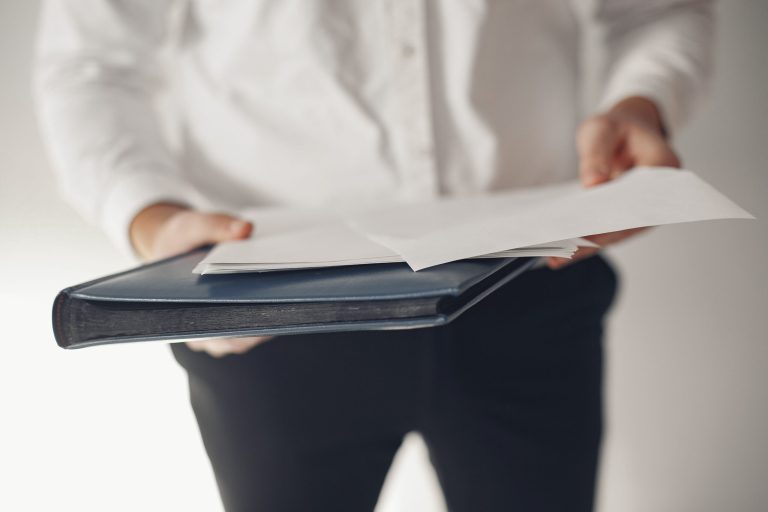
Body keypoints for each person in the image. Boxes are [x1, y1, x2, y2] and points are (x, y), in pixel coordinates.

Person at [34, 1, 713, 510]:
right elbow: (88, 64)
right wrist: (151, 218)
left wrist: (641, 102)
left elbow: (656, 11)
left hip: (531, 286)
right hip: (269, 319)